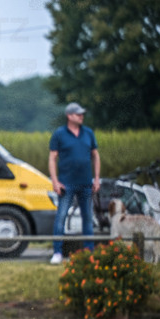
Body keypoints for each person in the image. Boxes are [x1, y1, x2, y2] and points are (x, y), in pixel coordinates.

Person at [48, 102, 100, 264]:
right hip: (66, 184)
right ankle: (57, 252)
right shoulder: (59, 134)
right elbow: (52, 158)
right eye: (78, 114)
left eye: (82, 114)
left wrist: (96, 178)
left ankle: (89, 252)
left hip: (85, 183)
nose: (81, 116)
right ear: (69, 116)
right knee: (61, 217)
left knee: (88, 218)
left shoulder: (88, 133)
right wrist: (55, 181)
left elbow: (95, 156)